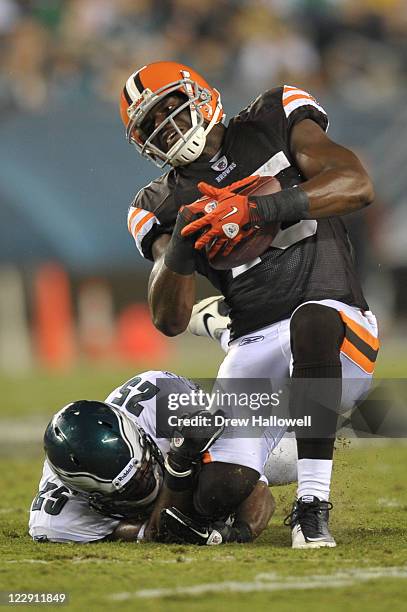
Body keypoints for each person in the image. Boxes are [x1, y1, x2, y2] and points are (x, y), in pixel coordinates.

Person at [120, 61, 379, 548]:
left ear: (200, 96)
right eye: (151, 125)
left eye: (170, 109)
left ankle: (312, 505)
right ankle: (279, 450)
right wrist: (180, 241)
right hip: (254, 343)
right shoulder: (157, 202)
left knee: (313, 318)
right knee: (218, 493)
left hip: (339, 329)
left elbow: (356, 184)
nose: (166, 127)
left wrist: (258, 209)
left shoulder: (272, 117)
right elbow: (169, 319)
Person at [29, 364, 297, 545]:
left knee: (283, 460)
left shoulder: (159, 399)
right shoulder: (56, 520)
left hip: (223, 428)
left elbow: (254, 490)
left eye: (144, 470)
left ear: (142, 437)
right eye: (131, 489)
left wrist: (237, 533)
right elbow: (154, 531)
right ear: (90, 497)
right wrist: (140, 530)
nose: (148, 486)